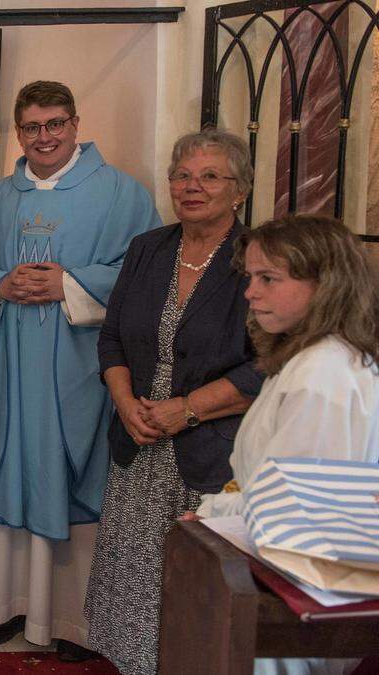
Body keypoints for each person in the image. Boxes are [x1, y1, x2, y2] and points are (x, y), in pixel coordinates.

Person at [0, 80, 161, 658]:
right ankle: (2, 603)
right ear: (18, 132)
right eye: (31, 127)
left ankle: (70, 618)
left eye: (55, 124)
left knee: (74, 475)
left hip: (79, 367)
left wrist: (69, 283)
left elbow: (143, 274)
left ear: (75, 123)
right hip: (7, 367)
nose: (43, 137)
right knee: (6, 463)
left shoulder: (123, 194)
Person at [83, 129, 263, 675]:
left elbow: (268, 363)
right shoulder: (148, 248)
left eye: (210, 176)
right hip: (139, 445)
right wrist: (124, 402)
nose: (192, 187)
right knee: (133, 586)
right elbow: (111, 337)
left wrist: (185, 408)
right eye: (182, 175)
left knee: (197, 594)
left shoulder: (258, 257)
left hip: (212, 453)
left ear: (240, 190)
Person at [193, 213, 379, 675]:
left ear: (325, 283)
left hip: (293, 591)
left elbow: (298, 514)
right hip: (285, 571)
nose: (251, 292)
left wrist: (210, 517)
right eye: (251, 277)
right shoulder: (313, 359)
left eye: (269, 278)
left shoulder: (321, 374)